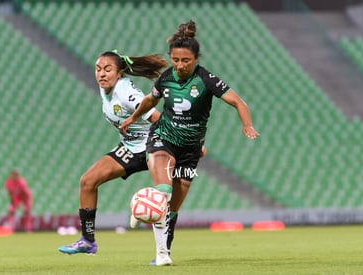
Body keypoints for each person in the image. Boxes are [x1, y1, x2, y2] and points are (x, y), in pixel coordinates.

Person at [120, 20, 260, 266]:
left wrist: (247, 124)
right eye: (175, 60)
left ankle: (157, 235)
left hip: (190, 149)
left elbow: (238, 101)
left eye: (185, 60)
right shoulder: (166, 79)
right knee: (163, 192)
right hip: (163, 138)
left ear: (195, 59)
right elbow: (150, 102)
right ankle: (160, 253)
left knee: (173, 208)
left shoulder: (206, 79)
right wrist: (132, 117)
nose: (180, 65)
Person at [58, 50, 168, 255]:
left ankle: (163, 252)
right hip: (130, 147)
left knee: (166, 196)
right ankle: (87, 241)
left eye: (108, 70)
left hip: (153, 145)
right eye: (98, 69)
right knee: (87, 182)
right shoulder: (104, 89)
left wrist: (180, 144)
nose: (101, 74)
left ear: (119, 74)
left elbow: (157, 118)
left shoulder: (126, 93)